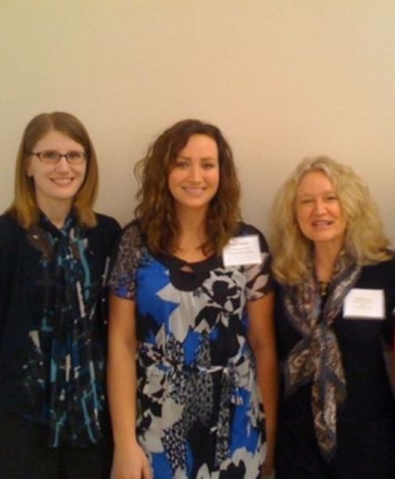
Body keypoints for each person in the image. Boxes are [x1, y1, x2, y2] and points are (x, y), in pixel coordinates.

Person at [107, 119, 277, 479]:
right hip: (157, 425)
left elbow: (262, 345)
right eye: (182, 163)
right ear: (163, 171)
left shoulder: (249, 245)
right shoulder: (135, 243)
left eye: (207, 164)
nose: (195, 176)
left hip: (237, 425)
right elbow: (121, 343)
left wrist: (269, 441)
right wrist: (125, 443)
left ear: (222, 173)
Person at [0, 112, 121, 478]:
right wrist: (5, 400)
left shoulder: (106, 235)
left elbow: (115, 327)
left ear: (87, 163)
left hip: (91, 426)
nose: (64, 166)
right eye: (49, 155)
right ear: (28, 164)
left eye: (74, 155)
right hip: (21, 430)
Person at [269, 156, 395, 478]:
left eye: (330, 198)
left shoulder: (382, 267)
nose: (320, 211)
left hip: (369, 439)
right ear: (293, 213)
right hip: (298, 443)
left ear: (350, 204)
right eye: (307, 201)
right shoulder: (280, 273)